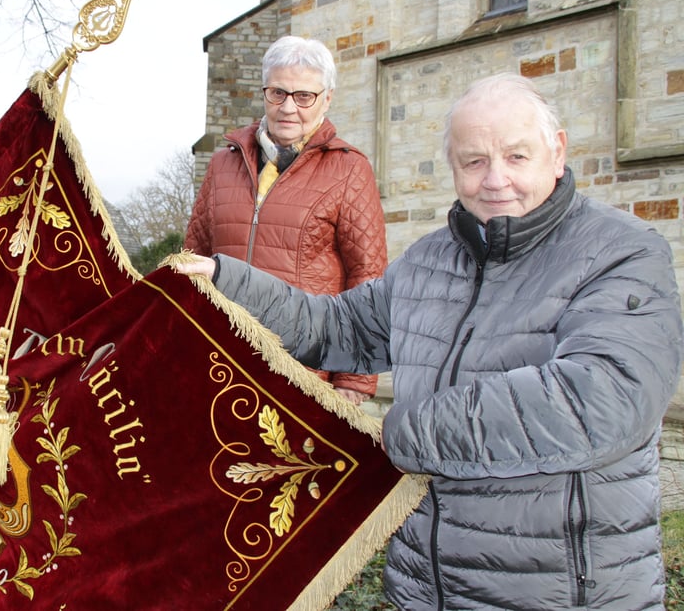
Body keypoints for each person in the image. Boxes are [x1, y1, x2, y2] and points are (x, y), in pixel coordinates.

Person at [177, 72, 683, 609]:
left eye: (516, 157)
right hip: (424, 589)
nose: (495, 180)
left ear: (556, 153)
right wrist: (225, 282)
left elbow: (601, 400)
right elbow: (334, 329)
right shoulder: (427, 262)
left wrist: (402, 435)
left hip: (557, 592)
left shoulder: (622, 253)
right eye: (473, 161)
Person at [184, 35, 387, 404]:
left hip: (301, 368)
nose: (289, 107)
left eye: (304, 96)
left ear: (327, 98)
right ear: (264, 94)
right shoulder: (222, 164)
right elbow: (192, 259)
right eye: (278, 93)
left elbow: (367, 279)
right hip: (217, 359)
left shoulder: (349, 169)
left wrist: (354, 380)